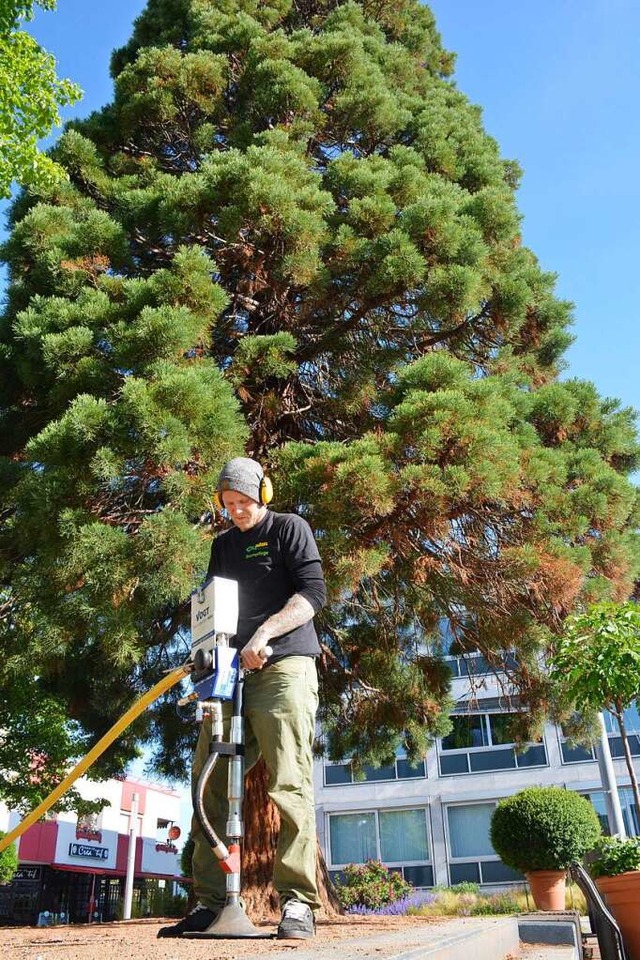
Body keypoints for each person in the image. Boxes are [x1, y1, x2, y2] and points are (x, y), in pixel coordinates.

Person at [158, 457, 326, 940]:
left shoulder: (290, 529)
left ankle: (297, 904)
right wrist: (206, 661)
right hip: (232, 672)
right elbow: (214, 611)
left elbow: (314, 592)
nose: (237, 511)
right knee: (207, 777)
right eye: (228, 504)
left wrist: (266, 634)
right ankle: (210, 904)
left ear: (264, 494)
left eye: (244, 502)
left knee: (288, 781)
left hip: (285, 665)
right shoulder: (224, 546)